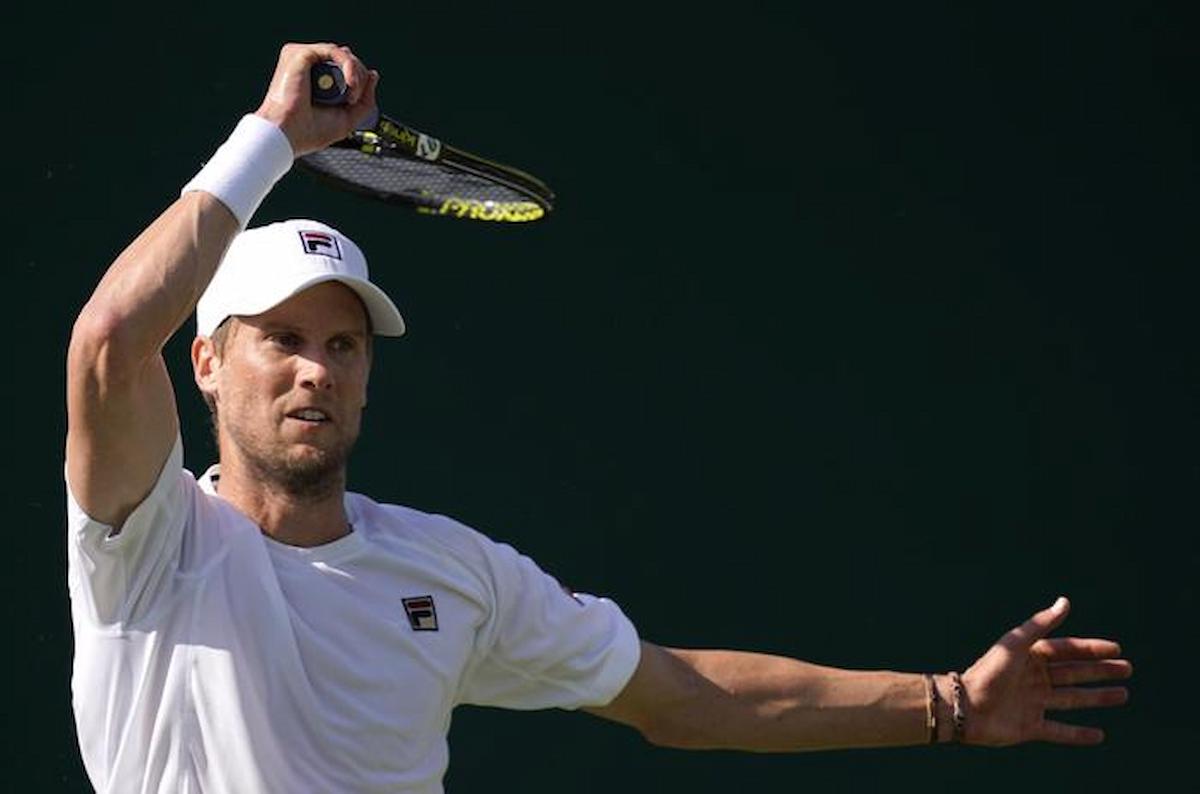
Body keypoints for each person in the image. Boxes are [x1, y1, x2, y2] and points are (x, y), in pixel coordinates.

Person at [65, 43, 1133, 793]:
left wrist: (949, 702)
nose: (316, 371)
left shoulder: (452, 573)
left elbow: (684, 695)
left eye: (343, 346)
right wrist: (273, 138)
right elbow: (110, 337)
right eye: (283, 339)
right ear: (207, 364)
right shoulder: (147, 544)